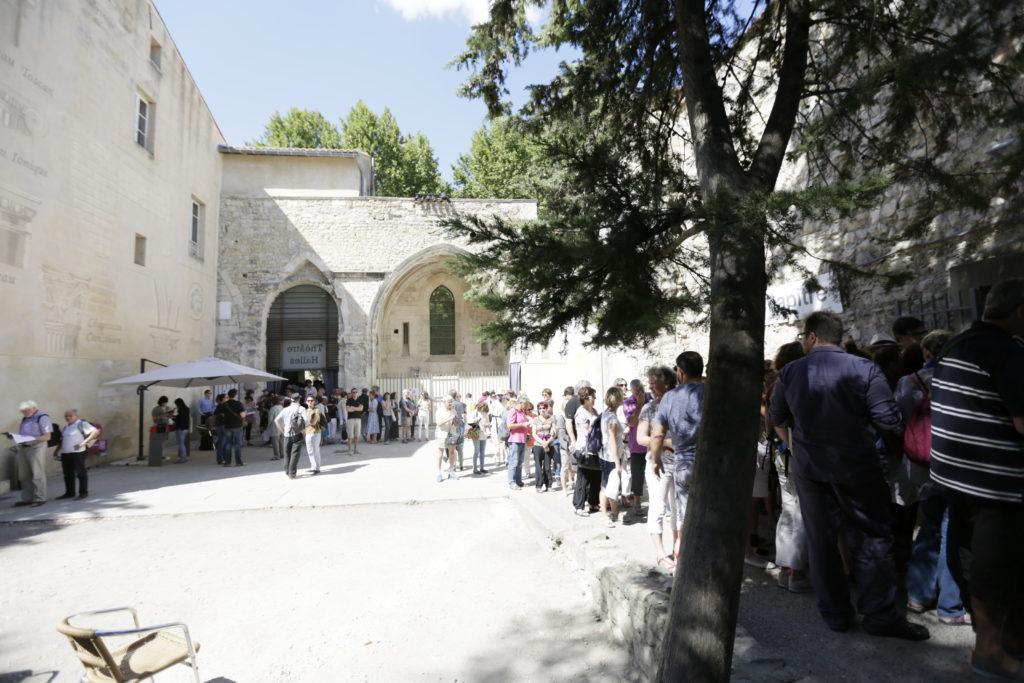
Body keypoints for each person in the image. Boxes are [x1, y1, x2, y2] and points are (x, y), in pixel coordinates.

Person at [770, 311, 928, 641]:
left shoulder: (789, 372)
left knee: (822, 540)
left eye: (802, 336)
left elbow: (778, 416)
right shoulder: (864, 368)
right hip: (857, 465)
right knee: (871, 537)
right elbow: (888, 418)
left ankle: (836, 614)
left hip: (811, 468)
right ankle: (879, 614)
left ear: (812, 337)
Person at [929, 279, 1024, 679]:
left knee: (978, 561)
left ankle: (1002, 643)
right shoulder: (1007, 352)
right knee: (998, 568)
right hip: (997, 483)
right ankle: (990, 651)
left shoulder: (956, 344)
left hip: (954, 477)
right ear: (1020, 312)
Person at [894, 329, 969, 625]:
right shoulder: (961, 379)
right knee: (952, 530)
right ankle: (951, 606)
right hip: (954, 465)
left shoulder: (907, 382)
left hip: (921, 468)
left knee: (928, 527)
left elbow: (897, 421)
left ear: (925, 353)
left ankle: (917, 595)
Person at [649, 351, 705, 560]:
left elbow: (657, 433)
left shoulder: (669, 398)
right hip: (710, 464)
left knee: (683, 516)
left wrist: (656, 460)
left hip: (683, 462)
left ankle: (684, 561)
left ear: (680, 372)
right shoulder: (711, 392)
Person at [764, 341, 811, 593]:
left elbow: (769, 424)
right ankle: (796, 570)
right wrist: (793, 445)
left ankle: (785, 567)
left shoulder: (775, 384)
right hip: (796, 451)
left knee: (789, 508)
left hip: (781, 454)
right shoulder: (797, 381)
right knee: (801, 510)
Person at [637, 365, 677, 570]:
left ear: (667, 383)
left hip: (679, 463)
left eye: (654, 383)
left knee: (679, 508)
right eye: (650, 383)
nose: (651, 387)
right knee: (658, 507)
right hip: (657, 463)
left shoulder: (679, 403)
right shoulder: (649, 408)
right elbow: (640, 437)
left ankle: (678, 547)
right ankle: (660, 552)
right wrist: (666, 442)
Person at [5, 400, 53, 507]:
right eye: (22, 411)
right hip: (23, 448)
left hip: (37, 447)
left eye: (25, 411)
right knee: (23, 475)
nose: (24, 413)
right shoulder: (25, 418)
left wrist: (30, 438)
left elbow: (47, 437)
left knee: (37, 473)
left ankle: (40, 498)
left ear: (34, 408)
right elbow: (24, 434)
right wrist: (14, 436)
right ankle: (27, 498)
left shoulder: (42, 417)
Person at [56, 409, 98, 501]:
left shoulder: (81, 424)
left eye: (70, 415)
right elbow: (62, 440)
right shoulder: (66, 427)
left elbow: (95, 432)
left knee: (80, 473)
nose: (68, 417)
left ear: (76, 416)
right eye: (66, 416)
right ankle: (69, 492)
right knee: (67, 474)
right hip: (66, 453)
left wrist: (84, 442)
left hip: (78, 453)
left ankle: (83, 493)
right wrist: (57, 451)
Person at [571, 387, 601, 515]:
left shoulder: (594, 411)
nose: (595, 399)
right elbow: (585, 431)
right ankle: (579, 506)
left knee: (596, 476)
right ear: (587, 398)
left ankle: (593, 503)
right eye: (593, 396)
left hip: (595, 449)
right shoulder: (581, 412)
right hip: (584, 450)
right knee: (583, 478)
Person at [623, 379, 649, 522]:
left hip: (652, 445)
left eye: (642, 388)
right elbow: (632, 422)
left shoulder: (651, 398)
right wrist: (640, 404)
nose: (640, 392)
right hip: (637, 446)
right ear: (632, 391)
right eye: (637, 390)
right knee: (637, 475)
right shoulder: (628, 403)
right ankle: (637, 502)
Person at [599, 387, 625, 527]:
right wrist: (617, 463)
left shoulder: (605, 413)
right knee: (609, 486)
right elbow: (612, 441)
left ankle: (613, 512)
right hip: (610, 456)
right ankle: (608, 514)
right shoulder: (613, 418)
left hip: (604, 454)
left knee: (606, 485)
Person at [274, 395, 305, 479]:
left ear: (291, 400)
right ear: (299, 399)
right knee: (295, 454)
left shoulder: (285, 409)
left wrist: (282, 431)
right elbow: (307, 421)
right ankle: (292, 473)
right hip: (297, 433)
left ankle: (287, 471)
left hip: (286, 434)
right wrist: (304, 432)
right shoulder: (301, 409)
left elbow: (276, 420)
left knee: (287, 454)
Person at [215, 389, 246, 467]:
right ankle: (238, 462)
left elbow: (222, 414)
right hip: (237, 426)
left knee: (228, 444)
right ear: (235, 395)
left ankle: (227, 462)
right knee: (237, 444)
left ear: (229, 395)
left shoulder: (224, 404)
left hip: (227, 426)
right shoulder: (238, 403)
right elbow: (243, 415)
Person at [531, 400, 556, 491]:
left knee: (547, 466)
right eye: (540, 408)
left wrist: (547, 442)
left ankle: (549, 485)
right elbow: (534, 434)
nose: (542, 410)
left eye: (544, 408)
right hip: (538, 445)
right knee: (538, 466)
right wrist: (542, 442)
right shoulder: (535, 420)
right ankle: (538, 485)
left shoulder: (551, 419)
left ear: (547, 408)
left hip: (548, 445)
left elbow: (554, 433)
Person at [506, 396, 530, 490]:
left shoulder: (522, 412)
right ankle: (512, 482)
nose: (527, 407)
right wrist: (522, 425)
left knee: (520, 462)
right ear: (521, 403)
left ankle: (518, 481)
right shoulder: (513, 411)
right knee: (513, 462)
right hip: (515, 440)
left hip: (522, 439)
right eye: (526, 405)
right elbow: (510, 425)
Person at [435, 397, 457, 482]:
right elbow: (438, 423)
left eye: (451, 402)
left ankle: (451, 472)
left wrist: (456, 421)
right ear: (444, 402)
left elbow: (456, 422)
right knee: (440, 453)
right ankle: (438, 473)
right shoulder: (439, 411)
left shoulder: (453, 410)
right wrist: (449, 418)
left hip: (452, 434)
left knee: (452, 452)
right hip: (442, 434)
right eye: (449, 402)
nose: (451, 403)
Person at [303, 395, 324, 474]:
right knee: (310, 451)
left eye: (311, 400)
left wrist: (306, 423)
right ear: (306, 402)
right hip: (307, 432)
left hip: (316, 432)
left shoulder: (317, 410)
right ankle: (313, 466)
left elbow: (313, 422)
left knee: (316, 450)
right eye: (308, 401)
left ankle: (317, 467)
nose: (310, 402)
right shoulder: (305, 411)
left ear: (314, 402)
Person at [471, 403, 490, 474]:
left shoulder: (486, 414)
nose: (483, 410)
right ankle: (475, 469)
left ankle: (482, 468)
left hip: (484, 434)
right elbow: (469, 421)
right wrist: (476, 419)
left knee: (482, 451)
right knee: (476, 451)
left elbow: (487, 423)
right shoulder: (475, 413)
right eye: (482, 408)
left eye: (484, 409)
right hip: (475, 433)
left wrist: (488, 426)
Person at [172, 398, 190, 463]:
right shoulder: (187, 409)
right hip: (185, 428)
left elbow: (179, 420)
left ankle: (182, 458)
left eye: (176, 404)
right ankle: (182, 457)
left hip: (180, 428)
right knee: (182, 443)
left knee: (181, 444)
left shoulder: (180, 410)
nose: (176, 405)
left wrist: (173, 417)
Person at [345, 388, 363, 455]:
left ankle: (356, 449)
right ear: (351, 393)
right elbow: (348, 409)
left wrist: (352, 407)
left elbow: (361, 409)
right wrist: (356, 408)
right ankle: (350, 450)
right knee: (350, 436)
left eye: (355, 392)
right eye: (353, 392)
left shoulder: (360, 400)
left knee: (357, 435)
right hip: (350, 420)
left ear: (357, 393)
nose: (354, 393)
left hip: (358, 419)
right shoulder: (348, 400)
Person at [267, 395, 285, 460]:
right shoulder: (282, 407)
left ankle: (276, 455)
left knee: (275, 443)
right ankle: (282, 454)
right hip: (282, 426)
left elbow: (270, 419)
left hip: (275, 427)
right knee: (281, 442)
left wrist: (268, 427)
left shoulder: (273, 409)